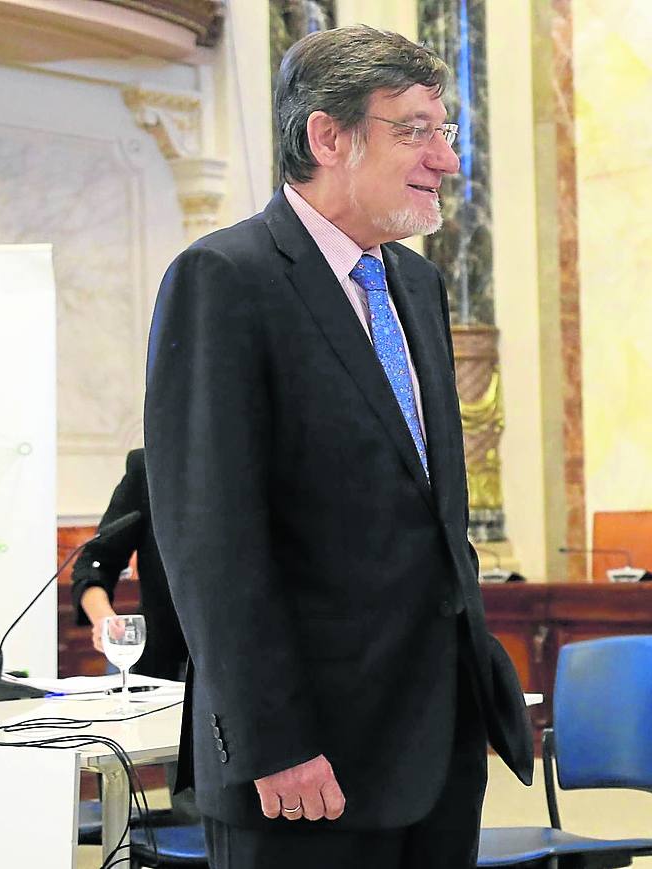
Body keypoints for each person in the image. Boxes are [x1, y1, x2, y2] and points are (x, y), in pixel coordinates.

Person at [143, 26, 532, 869]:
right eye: (417, 130)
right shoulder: (224, 280)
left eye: (447, 131)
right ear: (328, 136)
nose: (446, 159)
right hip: (303, 761)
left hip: (435, 743)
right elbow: (211, 541)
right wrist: (271, 737)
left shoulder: (416, 286)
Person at [71, 447, 198, 820]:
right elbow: (94, 564)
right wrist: (103, 619)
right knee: (194, 815)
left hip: (254, 667)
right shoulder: (148, 467)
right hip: (173, 671)